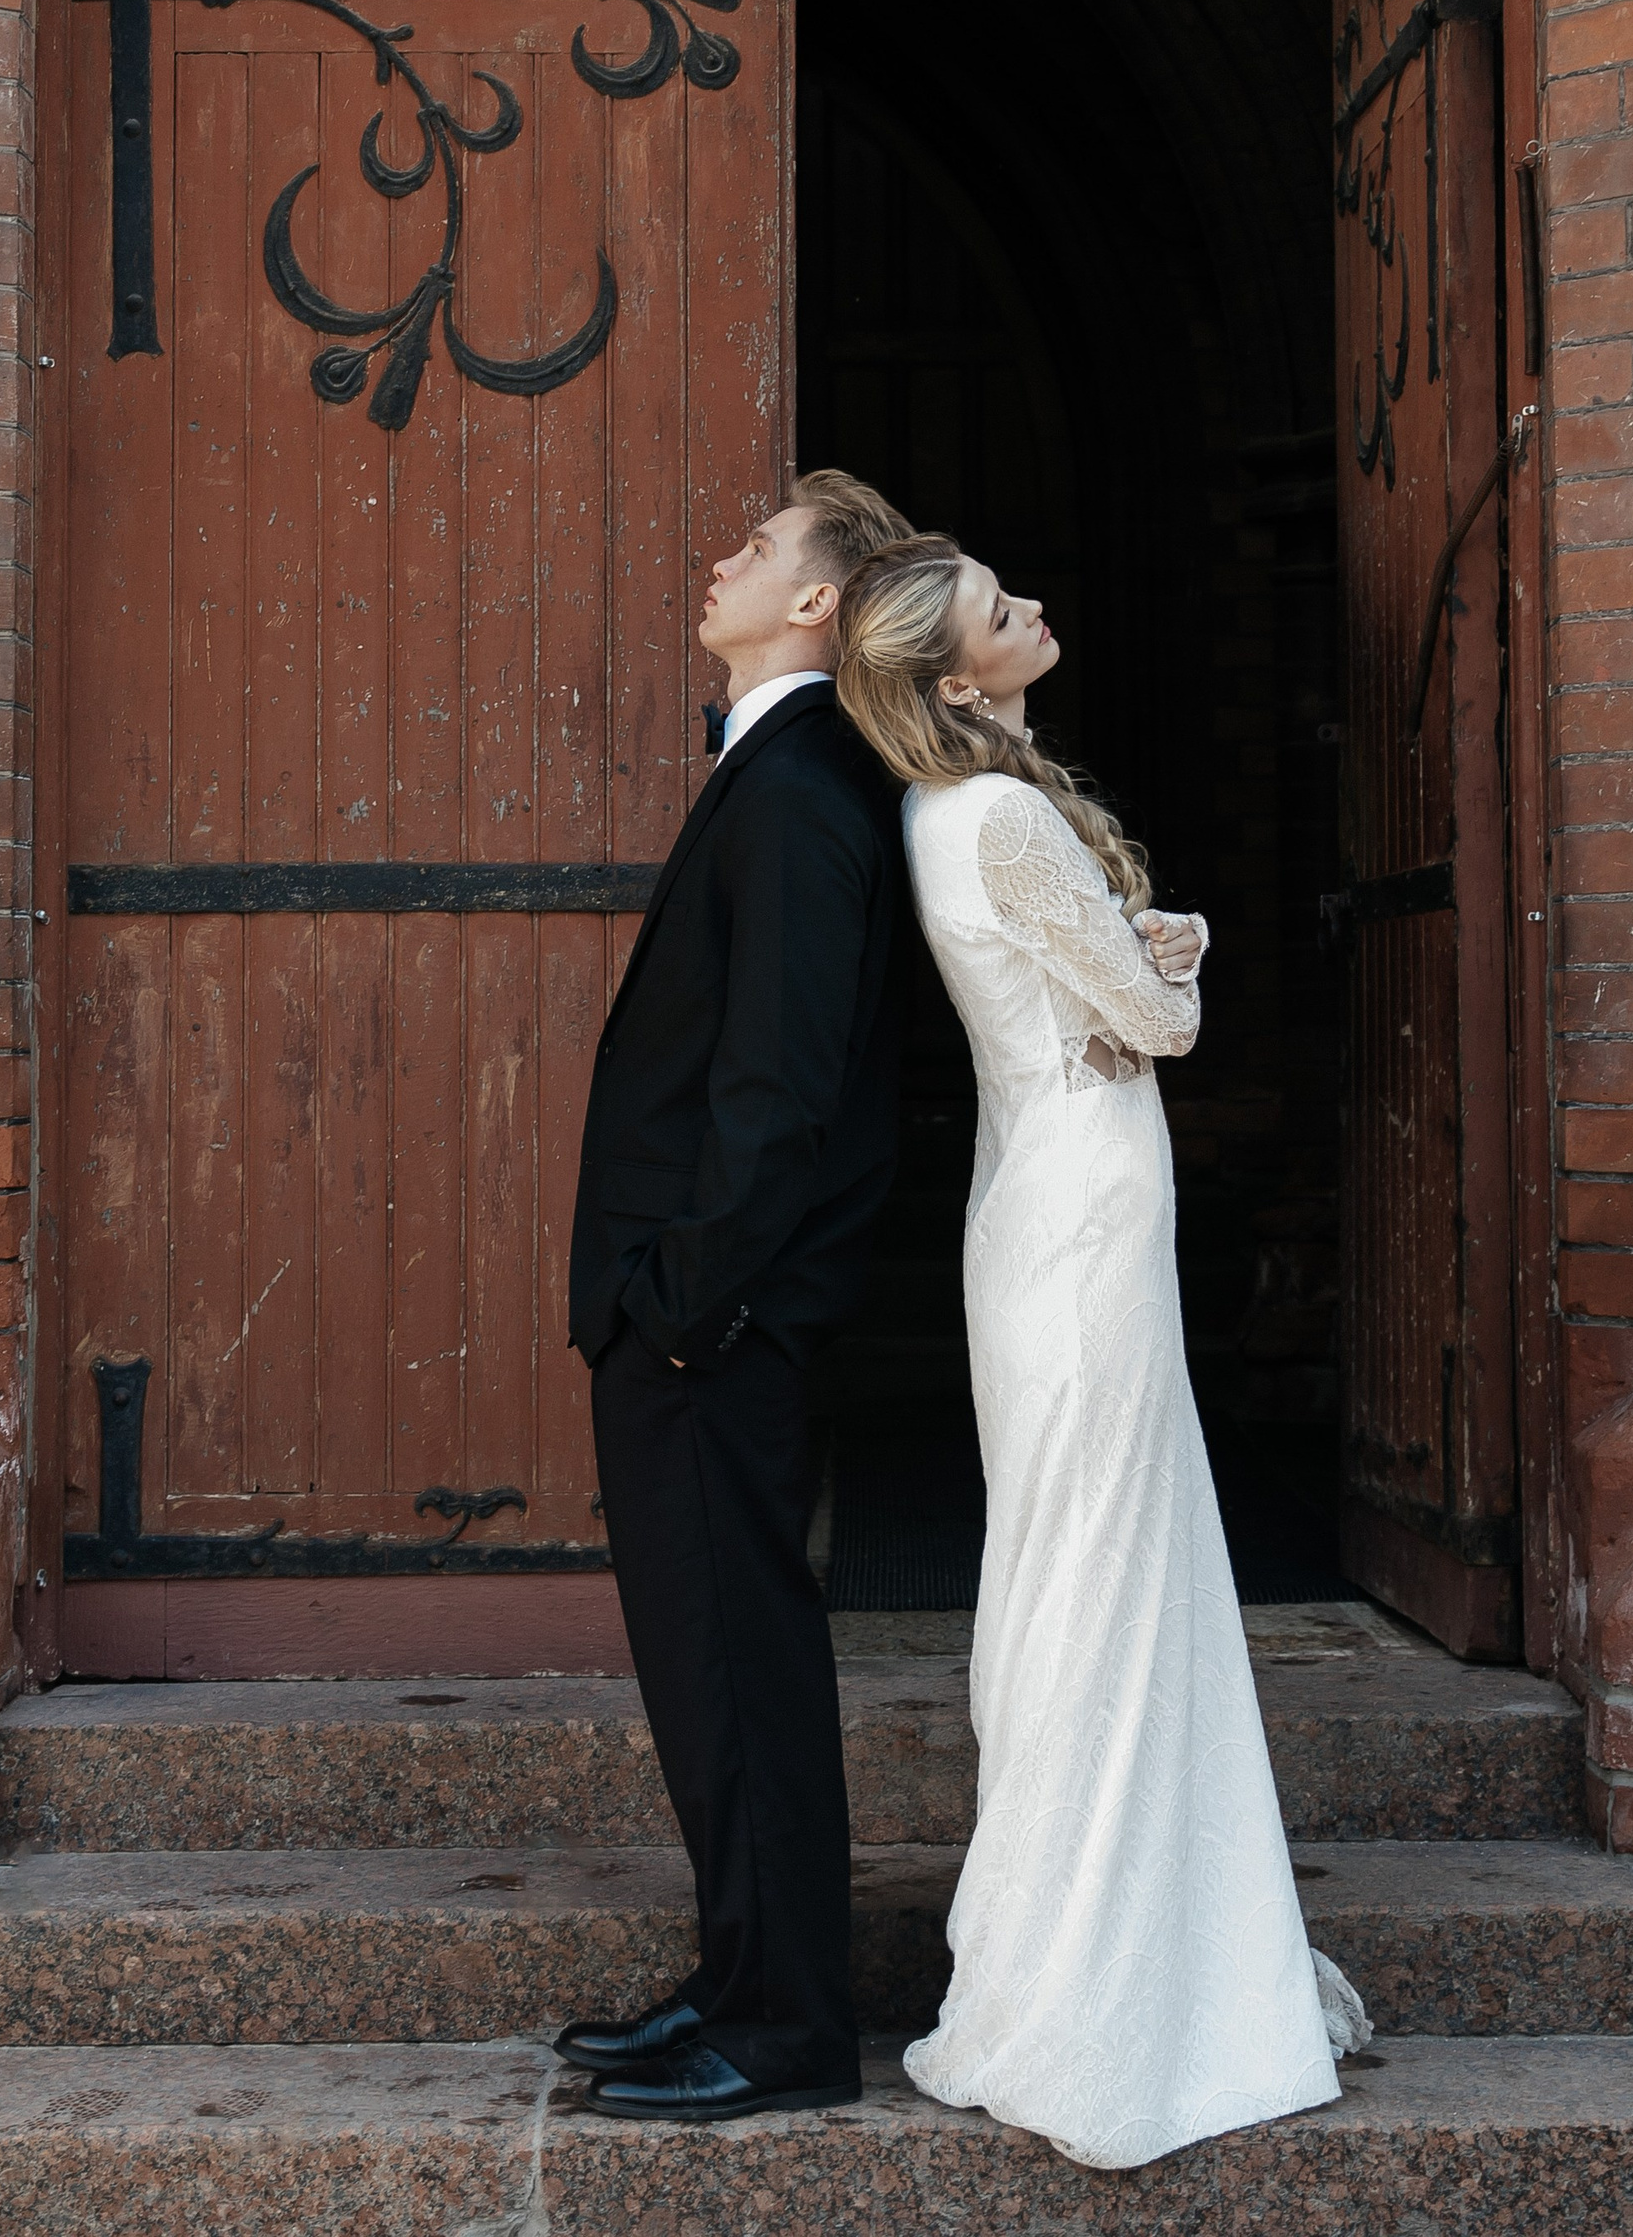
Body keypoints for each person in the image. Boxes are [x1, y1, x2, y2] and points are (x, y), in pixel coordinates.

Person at [832, 536, 1368, 2170]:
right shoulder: (995, 816)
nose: (1039, 611)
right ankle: (1109, 1985)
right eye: (1006, 611)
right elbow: (1159, 1024)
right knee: (1109, 1573)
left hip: (1046, 1197)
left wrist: (1144, 956)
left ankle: (1118, 1945)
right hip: (1083, 1204)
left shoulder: (941, 815)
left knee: (1088, 1564)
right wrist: (1176, 945)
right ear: (953, 676)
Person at [558, 466, 915, 2125]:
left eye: (757, 551)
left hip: (716, 1324)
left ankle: (784, 2029)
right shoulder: (778, 772)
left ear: (819, 604)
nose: (723, 562)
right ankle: (737, 1976)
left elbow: (782, 1086)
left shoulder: (800, 788)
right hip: (700, 1314)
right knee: (707, 1670)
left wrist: (683, 1301)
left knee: (743, 1667)